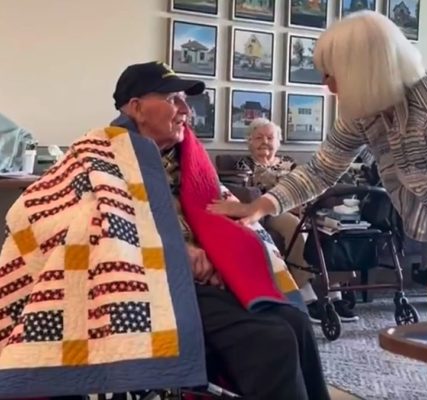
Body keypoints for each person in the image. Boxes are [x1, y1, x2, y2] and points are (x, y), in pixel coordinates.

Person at [208, 11, 427, 400]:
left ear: (364, 70)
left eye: (331, 73)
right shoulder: (364, 110)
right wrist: (262, 206)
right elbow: (323, 169)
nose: (326, 84)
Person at [112, 61, 330, 400]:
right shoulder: (107, 155)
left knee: (296, 321)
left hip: (213, 275)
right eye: (173, 99)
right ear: (137, 108)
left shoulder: (186, 156)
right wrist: (173, 252)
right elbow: (99, 225)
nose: (185, 110)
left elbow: (218, 210)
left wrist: (225, 251)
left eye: (185, 100)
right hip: (160, 285)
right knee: (272, 340)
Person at [236, 118, 358, 323]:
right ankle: (306, 294)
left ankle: (335, 293)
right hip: (270, 213)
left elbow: (306, 186)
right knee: (294, 226)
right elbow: (248, 194)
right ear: (250, 141)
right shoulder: (244, 165)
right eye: (258, 138)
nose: (265, 142)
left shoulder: (289, 162)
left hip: (301, 209)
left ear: (278, 141)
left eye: (270, 138)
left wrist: (304, 205)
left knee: (330, 227)